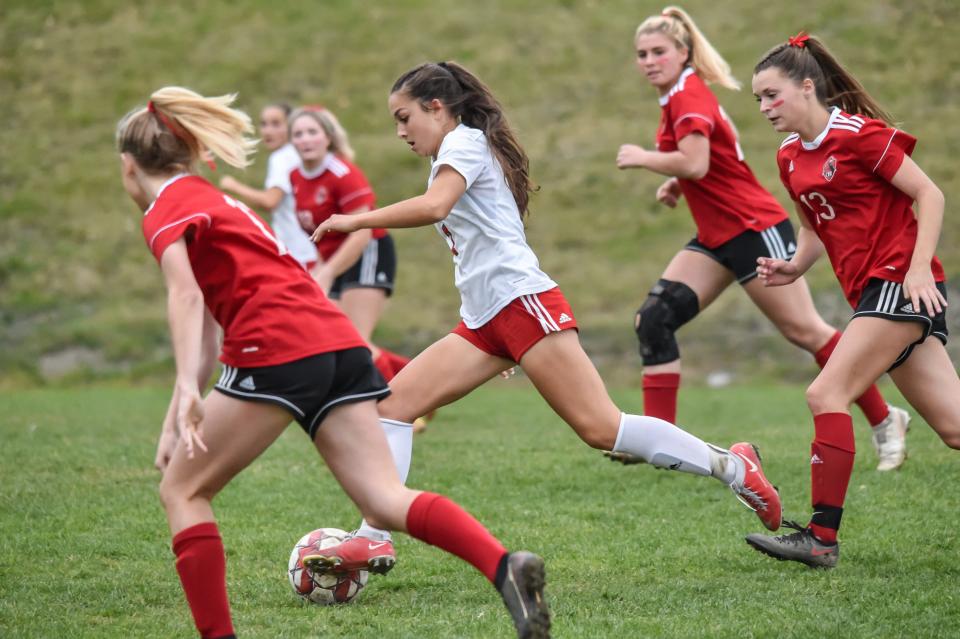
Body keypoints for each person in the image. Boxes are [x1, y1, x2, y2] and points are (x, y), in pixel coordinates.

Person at [118, 86, 550, 639]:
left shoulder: (165, 209)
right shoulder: (218, 202)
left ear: (130, 168)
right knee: (383, 498)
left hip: (275, 345)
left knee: (183, 491)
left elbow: (184, 296)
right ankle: (503, 565)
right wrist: (179, 410)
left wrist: (184, 388)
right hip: (336, 339)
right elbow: (203, 325)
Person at [311, 61, 785, 560]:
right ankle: (373, 538)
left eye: (404, 117)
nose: (400, 131)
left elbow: (435, 207)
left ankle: (735, 467)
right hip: (484, 320)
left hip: (521, 306)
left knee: (603, 429)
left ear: (436, 107)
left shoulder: (464, 143)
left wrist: (354, 220)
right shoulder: (457, 149)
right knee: (393, 407)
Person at [614, 6, 910, 472]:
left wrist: (647, 159)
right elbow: (712, 159)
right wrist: (681, 183)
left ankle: (884, 417)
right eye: (641, 54)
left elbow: (694, 161)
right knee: (654, 318)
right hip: (717, 234)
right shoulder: (678, 96)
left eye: (658, 52)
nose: (649, 60)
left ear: (683, 53)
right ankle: (660, 445)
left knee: (805, 331)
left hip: (754, 229)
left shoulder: (688, 96)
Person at [744, 32, 960, 568]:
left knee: (826, 394)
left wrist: (916, 271)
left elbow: (928, 193)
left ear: (807, 86)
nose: (765, 108)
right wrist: (795, 265)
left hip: (899, 286)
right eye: (758, 100)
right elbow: (813, 223)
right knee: (955, 429)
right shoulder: (790, 157)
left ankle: (820, 537)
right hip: (874, 294)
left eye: (772, 95)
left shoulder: (859, 135)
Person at [287, 107, 413, 384]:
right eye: (298, 134)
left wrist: (327, 273)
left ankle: (401, 403)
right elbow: (323, 237)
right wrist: (317, 271)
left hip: (369, 251)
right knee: (333, 337)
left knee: (355, 341)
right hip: (335, 260)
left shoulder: (343, 174)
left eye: (312, 132)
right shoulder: (295, 177)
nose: (305, 139)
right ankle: (413, 377)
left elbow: (361, 233)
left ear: (328, 138)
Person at [219, 102, 318, 268]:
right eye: (264, 124)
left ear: (291, 126)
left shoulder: (281, 158)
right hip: (312, 249)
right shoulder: (297, 154)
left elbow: (270, 201)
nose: (268, 131)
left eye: (276, 124)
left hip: (300, 253)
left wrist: (234, 186)